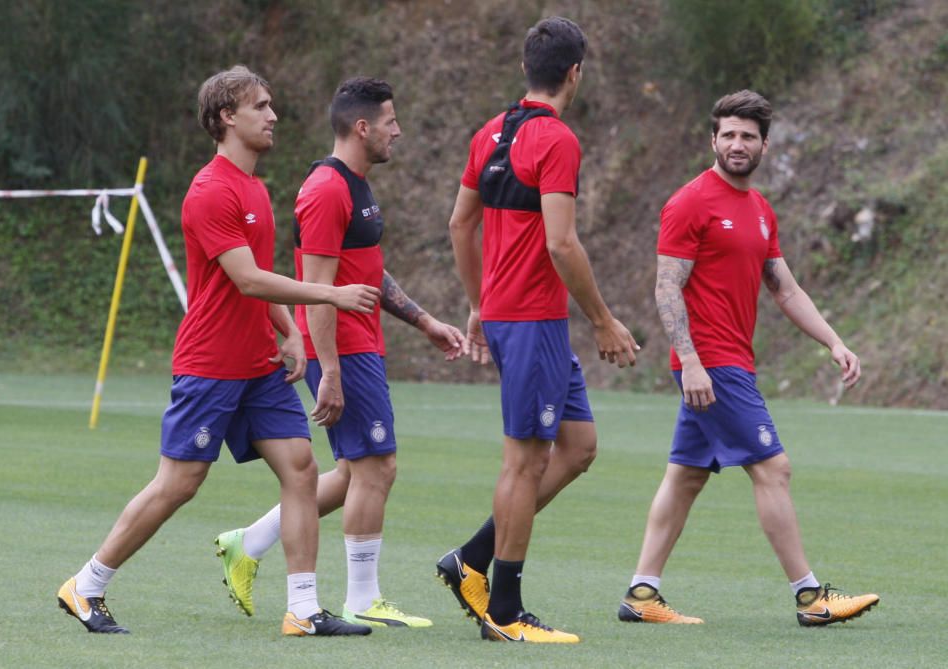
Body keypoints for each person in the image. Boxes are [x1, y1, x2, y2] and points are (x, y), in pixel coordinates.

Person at [56, 65, 381, 638]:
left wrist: (288, 331)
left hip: (259, 366)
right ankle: (86, 584)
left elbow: (258, 281)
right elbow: (248, 279)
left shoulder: (255, 188)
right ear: (227, 117)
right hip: (210, 364)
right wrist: (328, 294)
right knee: (178, 483)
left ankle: (303, 610)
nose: (273, 115)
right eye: (260, 106)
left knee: (302, 470)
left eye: (271, 105)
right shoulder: (210, 191)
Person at [617, 89, 879, 627]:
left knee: (687, 476)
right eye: (729, 134)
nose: (738, 144)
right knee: (774, 469)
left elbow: (785, 289)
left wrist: (833, 342)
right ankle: (811, 598)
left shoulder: (760, 211)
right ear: (713, 139)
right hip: (711, 361)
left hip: (729, 359)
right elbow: (667, 287)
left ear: (764, 146)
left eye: (748, 136)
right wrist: (689, 360)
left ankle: (642, 595)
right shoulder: (690, 200)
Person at [212, 76, 466, 629]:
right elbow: (319, 287)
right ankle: (361, 597)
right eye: (391, 121)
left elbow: (367, 270)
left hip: (361, 342)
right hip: (345, 349)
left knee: (355, 471)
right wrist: (329, 370)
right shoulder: (327, 190)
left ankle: (248, 542)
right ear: (362, 126)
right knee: (378, 467)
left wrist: (424, 321)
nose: (398, 130)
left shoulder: (355, 185)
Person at [437, 16, 639, 643]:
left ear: (528, 68)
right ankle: (504, 609)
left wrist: (477, 300)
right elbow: (562, 242)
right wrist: (603, 320)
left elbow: (458, 225)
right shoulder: (556, 140)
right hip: (530, 321)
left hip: (515, 316)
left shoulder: (489, 133)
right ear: (574, 72)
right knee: (525, 463)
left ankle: (470, 558)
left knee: (577, 447)